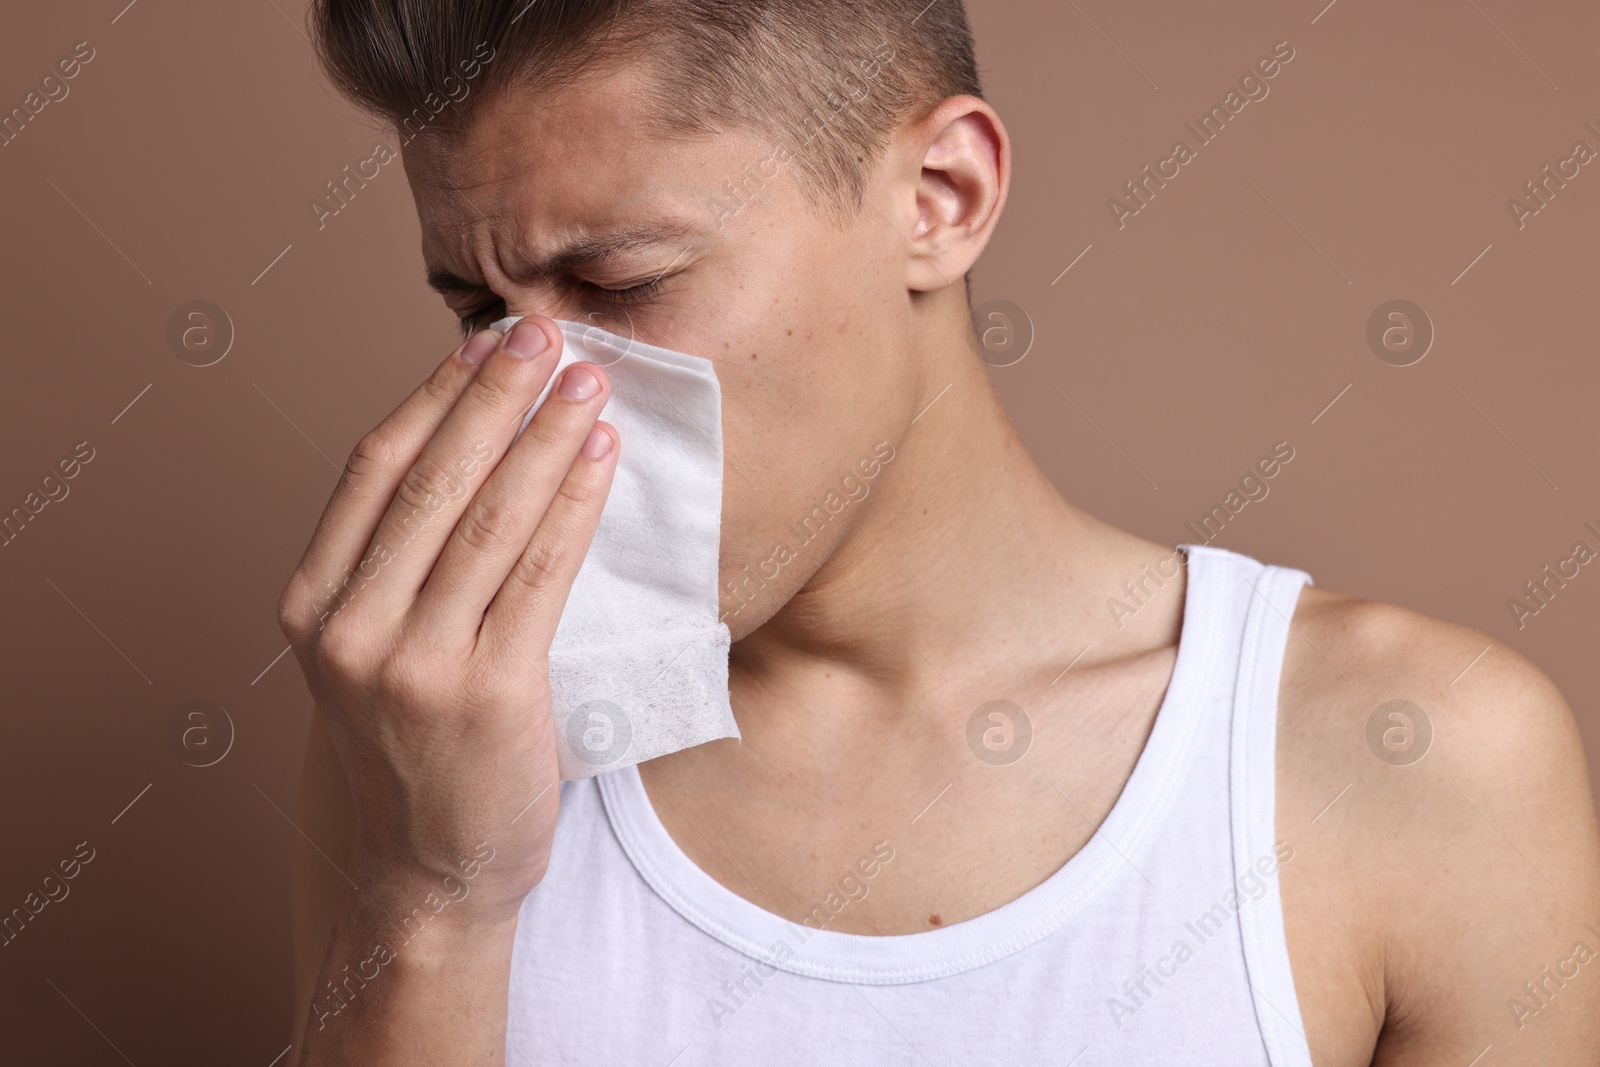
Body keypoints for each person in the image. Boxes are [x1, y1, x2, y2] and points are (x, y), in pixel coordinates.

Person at [276, 1, 1600, 1063]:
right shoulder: (439, 741)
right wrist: (435, 908)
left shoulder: (1413, 762)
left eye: (623, 281)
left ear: (941, 197)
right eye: (477, 310)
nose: (548, 391)